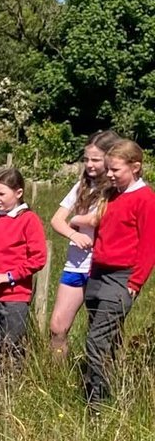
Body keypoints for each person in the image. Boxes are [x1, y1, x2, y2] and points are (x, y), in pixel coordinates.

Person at [83, 140, 155, 403]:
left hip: (122, 278)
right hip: (98, 275)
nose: (110, 174)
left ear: (135, 167)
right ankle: (115, 393)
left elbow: (149, 245)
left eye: (115, 170)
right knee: (108, 341)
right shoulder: (111, 195)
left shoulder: (146, 199)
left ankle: (97, 404)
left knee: (96, 341)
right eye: (109, 169)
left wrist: (135, 282)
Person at [49, 130, 121, 356]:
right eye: (86, 159)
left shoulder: (117, 189)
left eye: (96, 160)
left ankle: (105, 380)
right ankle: (56, 377)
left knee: (102, 333)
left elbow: (97, 218)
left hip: (102, 266)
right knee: (57, 327)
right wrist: (74, 234)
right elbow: (56, 220)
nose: (89, 164)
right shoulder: (81, 186)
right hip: (75, 265)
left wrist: (77, 219)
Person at [0, 169, 47, 380]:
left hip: (15, 296)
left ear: (18, 192)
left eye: (2, 194)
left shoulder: (28, 220)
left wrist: (10, 276)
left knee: (12, 343)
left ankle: (12, 385)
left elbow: (38, 258)